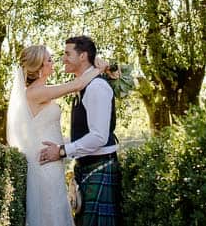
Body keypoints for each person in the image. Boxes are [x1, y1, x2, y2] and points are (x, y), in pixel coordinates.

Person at [7, 44, 108, 226]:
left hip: (52, 162)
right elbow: (77, 84)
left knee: (56, 210)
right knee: (50, 213)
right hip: (44, 164)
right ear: (39, 68)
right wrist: (99, 69)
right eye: (49, 60)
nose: (54, 62)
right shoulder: (35, 93)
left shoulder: (41, 91)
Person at [39, 36, 122, 226]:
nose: (63, 59)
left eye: (68, 54)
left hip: (100, 166)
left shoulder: (97, 87)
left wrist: (61, 151)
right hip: (88, 167)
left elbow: (99, 137)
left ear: (83, 56)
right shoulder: (83, 86)